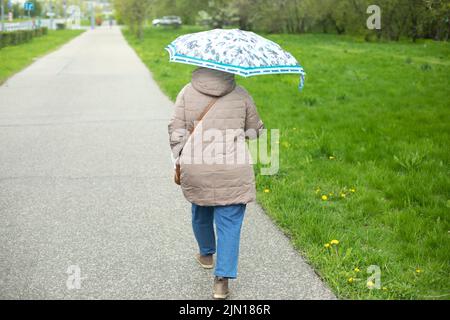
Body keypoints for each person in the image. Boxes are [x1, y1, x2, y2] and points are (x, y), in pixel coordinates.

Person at [168, 67, 264, 299]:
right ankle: (222, 282)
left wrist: (179, 155)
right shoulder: (241, 93)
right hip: (233, 170)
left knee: (200, 209)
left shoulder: (186, 92)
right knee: (230, 224)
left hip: (196, 166)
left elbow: (175, 130)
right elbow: (253, 132)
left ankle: (206, 254)